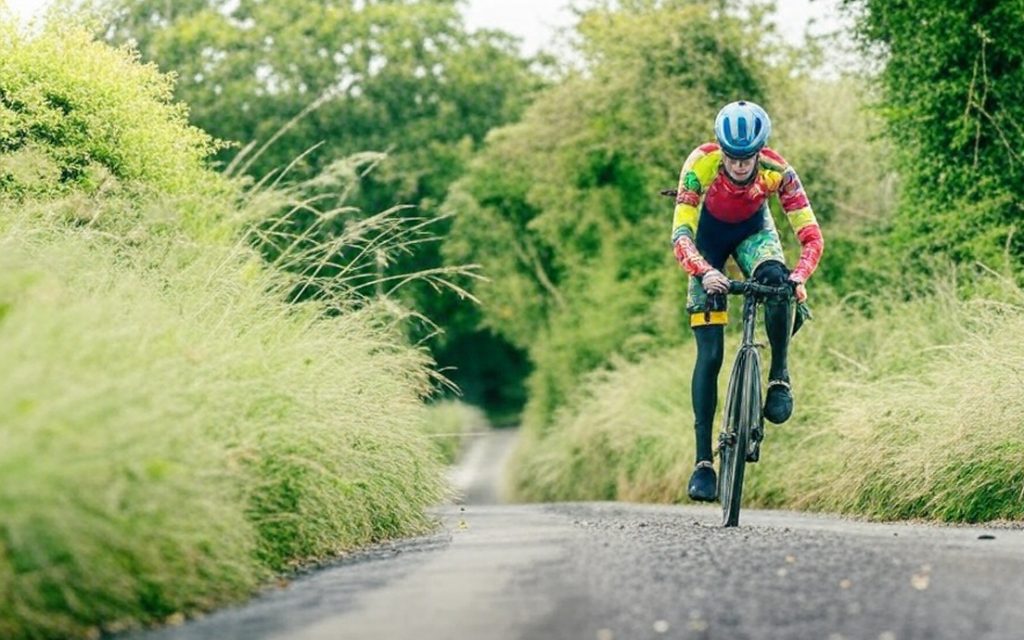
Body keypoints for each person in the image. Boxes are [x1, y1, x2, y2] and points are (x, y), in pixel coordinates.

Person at [670, 100, 824, 502]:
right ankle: (704, 462)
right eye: (733, 158)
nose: (740, 166)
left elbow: (811, 237)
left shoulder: (778, 172)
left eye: (748, 158)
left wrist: (798, 276)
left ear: (760, 152)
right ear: (721, 150)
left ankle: (779, 377)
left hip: (755, 234)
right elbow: (681, 236)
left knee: (776, 282)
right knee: (710, 355)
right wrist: (704, 271)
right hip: (707, 245)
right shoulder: (699, 165)